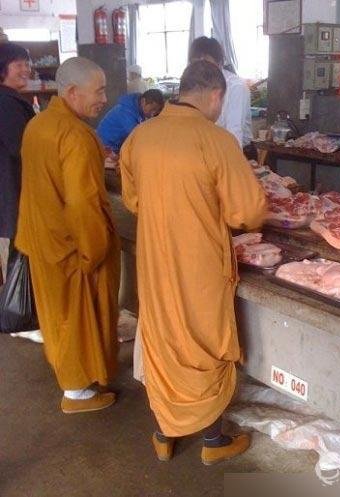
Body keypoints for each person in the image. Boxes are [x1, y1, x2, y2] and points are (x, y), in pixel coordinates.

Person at [120, 60, 266, 465]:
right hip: (199, 264)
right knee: (202, 344)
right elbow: (248, 212)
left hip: (154, 259)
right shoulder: (216, 140)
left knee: (165, 340)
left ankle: (164, 433)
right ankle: (213, 442)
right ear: (216, 95)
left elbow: (133, 200)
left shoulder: (140, 136)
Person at [15, 57, 121, 413]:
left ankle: (73, 382)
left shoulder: (38, 124)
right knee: (77, 322)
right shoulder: (77, 136)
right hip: (70, 248)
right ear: (73, 92)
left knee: (58, 317)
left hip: (41, 239)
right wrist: (94, 253)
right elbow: (83, 204)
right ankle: (77, 393)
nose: (104, 99)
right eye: (99, 91)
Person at [0, 42, 43, 343]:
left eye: (27, 64)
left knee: (19, 251)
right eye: (19, 64)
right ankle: (18, 314)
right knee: (20, 251)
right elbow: (22, 146)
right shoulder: (6, 103)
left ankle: (19, 313)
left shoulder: (12, 99)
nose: (26, 69)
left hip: (12, 188)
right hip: (12, 190)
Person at [189, 36, 253, 150]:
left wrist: (231, 159)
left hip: (236, 150)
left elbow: (234, 133)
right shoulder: (196, 86)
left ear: (219, 63)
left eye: (207, 64)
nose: (202, 69)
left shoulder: (235, 87)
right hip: (210, 148)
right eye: (196, 64)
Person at [97, 89, 164, 154]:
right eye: (152, 109)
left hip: (116, 145)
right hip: (104, 146)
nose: (153, 114)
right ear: (143, 101)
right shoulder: (127, 112)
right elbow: (137, 139)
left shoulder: (137, 108)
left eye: (156, 111)